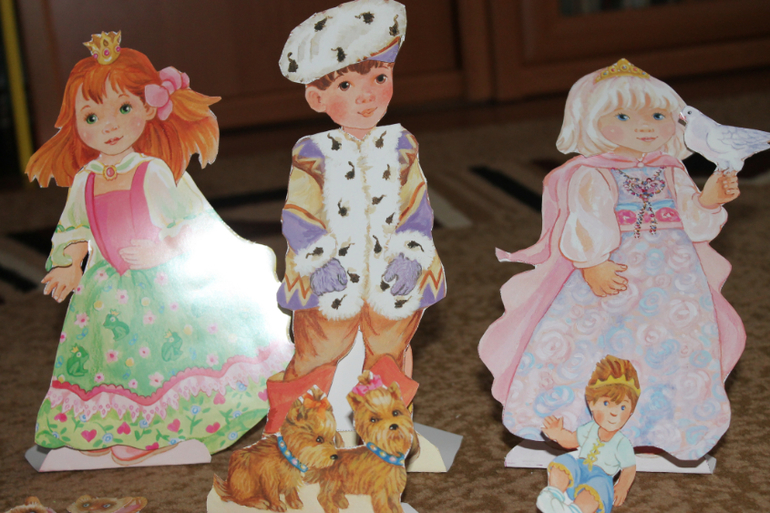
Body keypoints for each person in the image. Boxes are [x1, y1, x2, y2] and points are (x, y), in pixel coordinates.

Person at [25, 32, 292, 463]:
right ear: (74, 123)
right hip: (103, 292)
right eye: (91, 116)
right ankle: (119, 428)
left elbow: (189, 225)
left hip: (159, 288)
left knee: (161, 359)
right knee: (110, 362)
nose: (109, 125)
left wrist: (163, 251)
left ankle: (169, 427)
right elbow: (73, 227)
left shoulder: (151, 172)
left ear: (149, 109)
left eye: (123, 108)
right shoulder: (84, 180)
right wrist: (69, 263)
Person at [478, 59, 744, 460]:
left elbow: (692, 221)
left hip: (673, 277)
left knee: (673, 342)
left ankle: (666, 425)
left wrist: (709, 200)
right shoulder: (591, 172)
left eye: (658, 115)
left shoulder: (670, 169)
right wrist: (591, 262)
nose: (645, 126)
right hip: (613, 273)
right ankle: (581, 424)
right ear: (591, 121)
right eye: (623, 116)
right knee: (597, 343)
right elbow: (585, 219)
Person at [266, 0, 446, 432]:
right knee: (317, 352)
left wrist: (411, 253)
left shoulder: (403, 145)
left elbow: (416, 204)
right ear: (317, 98)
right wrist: (319, 260)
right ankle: (292, 433)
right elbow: (298, 212)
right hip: (330, 279)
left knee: (389, 351)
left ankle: (384, 433)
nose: (366, 95)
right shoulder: (311, 153)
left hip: (393, 275)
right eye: (346, 85)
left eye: (379, 78)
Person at [537, 356, 639, 513]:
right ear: (592, 404)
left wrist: (622, 487)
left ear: (631, 412)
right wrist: (558, 434)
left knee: (597, 489)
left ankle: (575, 510)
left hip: (600, 478)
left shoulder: (622, 443)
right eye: (606, 403)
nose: (614, 412)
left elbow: (629, 468)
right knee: (564, 462)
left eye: (623, 407)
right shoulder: (589, 428)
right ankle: (552, 496)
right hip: (579, 468)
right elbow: (572, 440)